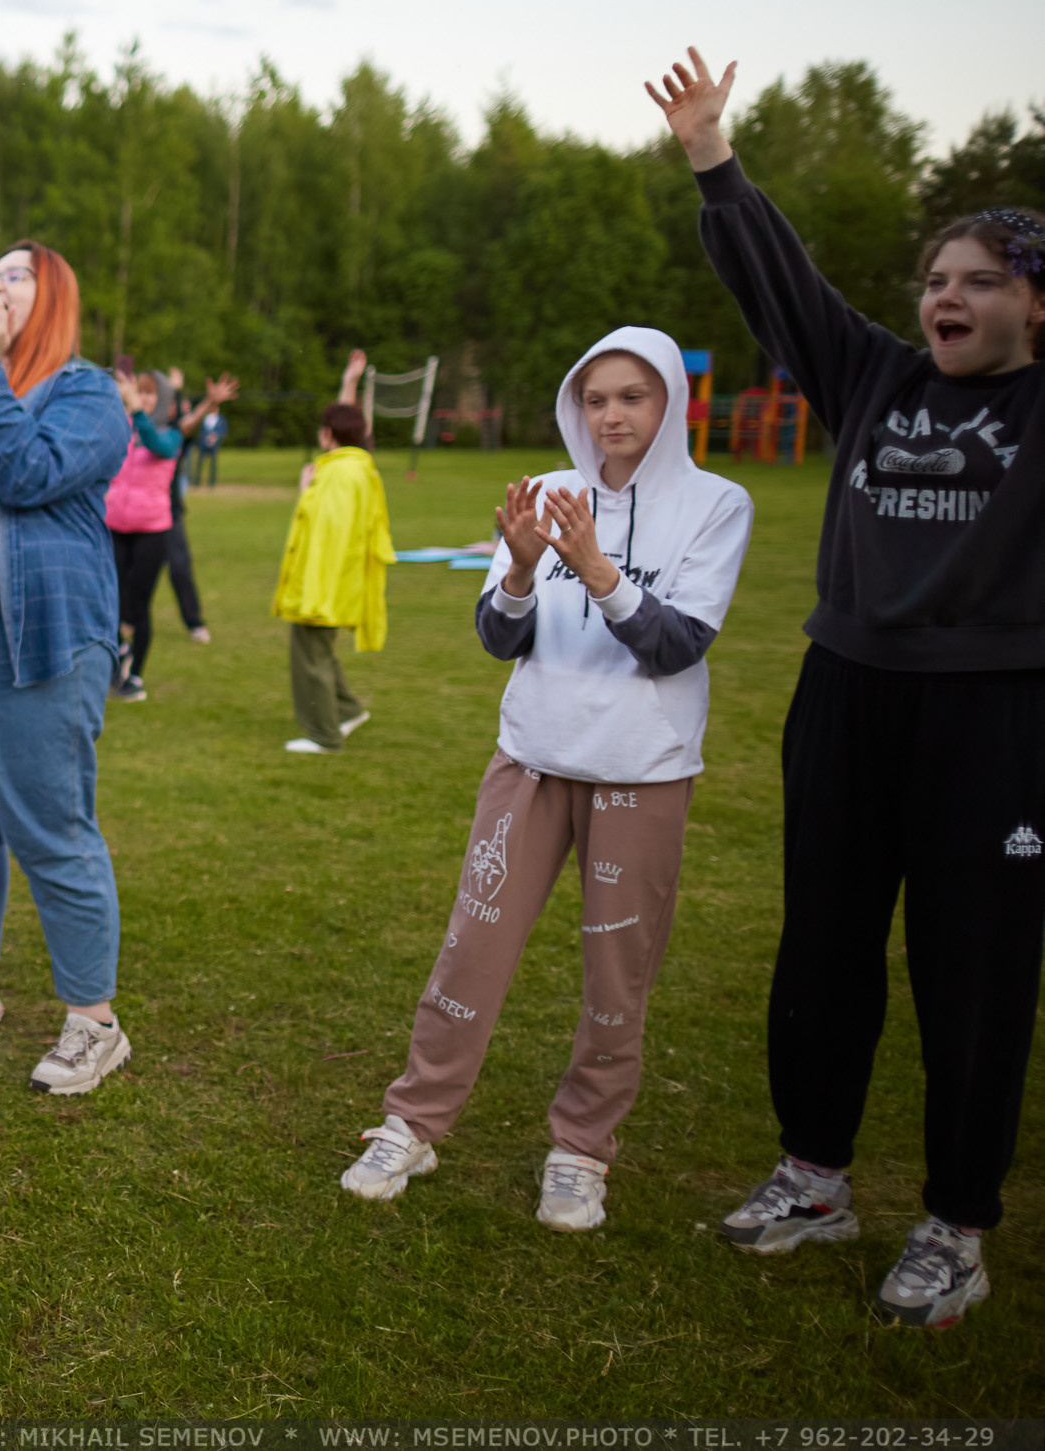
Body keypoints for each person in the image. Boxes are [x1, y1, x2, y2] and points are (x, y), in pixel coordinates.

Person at [652, 47, 1045, 1329]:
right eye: (935, 278)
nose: (946, 296)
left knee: (971, 968)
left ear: (1035, 307)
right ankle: (815, 1175)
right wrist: (715, 158)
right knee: (821, 944)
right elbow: (787, 288)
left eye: (979, 281)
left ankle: (956, 1222)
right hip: (847, 692)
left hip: (994, 714)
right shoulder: (874, 377)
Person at [341, 327, 754, 1231]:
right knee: (471, 946)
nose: (612, 414)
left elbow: (677, 644)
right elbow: (499, 637)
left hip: (639, 775)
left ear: (670, 404)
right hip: (530, 762)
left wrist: (597, 569)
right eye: (596, 397)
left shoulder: (716, 504)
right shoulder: (550, 493)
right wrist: (525, 566)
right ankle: (412, 1119)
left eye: (633, 397)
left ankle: (579, 1151)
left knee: (618, 973)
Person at [0, 242, 135, 1093]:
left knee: (51, 824)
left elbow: (26, 474)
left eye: (13, 275)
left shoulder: (88, 393)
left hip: (43, 631)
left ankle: (96, 1020)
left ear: (50, 298)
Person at [273, 401, 394, 754]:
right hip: (340, 579)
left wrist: (305, 490)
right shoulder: (358, 467)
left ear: (327, 434)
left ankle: (324, 734)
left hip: (324, 582)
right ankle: (348, 710)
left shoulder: (339, 474)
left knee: (310, 655)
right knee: (320, 650)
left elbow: (326, 533)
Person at [105, 368, 222, 703]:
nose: (142, 399)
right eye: (139, 392)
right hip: (114, 527)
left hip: (151, 532)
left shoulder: (171, 435)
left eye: (150, 394)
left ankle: (135, 676)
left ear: (166, 403)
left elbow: (159, 446)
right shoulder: (123, 428)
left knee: (139, 608)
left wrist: (138, 412)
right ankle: (118, 660)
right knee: (110, 601)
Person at [160, 368, 236, 644]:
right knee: (133, 572)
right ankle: (127, 619)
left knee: (180, 567)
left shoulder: (176, 435)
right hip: (138, 514)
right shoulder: (145, 428)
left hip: (169, 512)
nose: (177, 408)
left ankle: (194, 622)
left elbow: (187, 422)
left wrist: (209, 403)